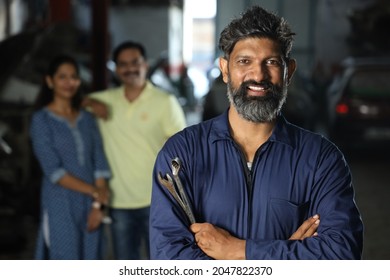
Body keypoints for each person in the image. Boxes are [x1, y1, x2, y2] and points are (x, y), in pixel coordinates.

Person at [150, 6, 364, 260]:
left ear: (289, 71)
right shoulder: (181, 153)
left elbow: (341, 254)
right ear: (225, 69)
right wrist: (286, 255)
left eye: (271, 62)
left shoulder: (321, 159)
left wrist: (237, 250)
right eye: (244, 62)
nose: (258, 75)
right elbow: (169, 260)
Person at [83, 41, 186, 259]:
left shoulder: (165, 102)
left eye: (135, 62)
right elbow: (70, 101)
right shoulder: (105, 100)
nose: (130, 69)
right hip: (119, 202)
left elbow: (183, 148)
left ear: (145, 65)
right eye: (123, 64)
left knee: (161, 263)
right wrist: (89, 101)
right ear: (116, 69)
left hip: (159, 200)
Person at [30, 55, 111, 259]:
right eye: (62, 77)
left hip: (90, 204)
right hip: (60, 202)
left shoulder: (87, 118)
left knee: (92, 258)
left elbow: (98, 162)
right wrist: (96, 192)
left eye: (74, 77)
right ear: (50, 81)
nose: (69, 82)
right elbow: (54, 172)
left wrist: (97, 206)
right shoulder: (41, 121)